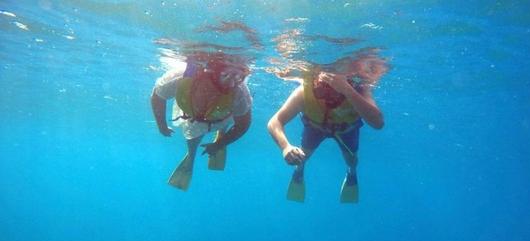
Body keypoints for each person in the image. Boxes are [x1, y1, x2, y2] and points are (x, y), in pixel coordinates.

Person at [267, 57, 387, 203]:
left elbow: (378, 123)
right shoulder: (304, 92)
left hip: (346, 129)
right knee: (302, 156)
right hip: (315, 127)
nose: (329, 95)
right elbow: (275, 122)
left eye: (334, 87)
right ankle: (299, 170)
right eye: (323, 88)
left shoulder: (358, 88)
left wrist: (347, 91)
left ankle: (351, 172)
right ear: (316, 81)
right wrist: (285, 147)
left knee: (352, 160)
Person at [150, 53, 252, 190]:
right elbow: (157, 96)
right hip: (194, 117)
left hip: (223, 116)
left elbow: (243, 124)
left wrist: (220, 144)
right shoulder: (182, 77)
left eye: (238, 77)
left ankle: (222, 133)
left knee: (229, 116)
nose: (231, 83)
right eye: (226, 74)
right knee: (193, 142)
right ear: (213, 71)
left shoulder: (239, 92)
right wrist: (161, 125)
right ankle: (191, 156)